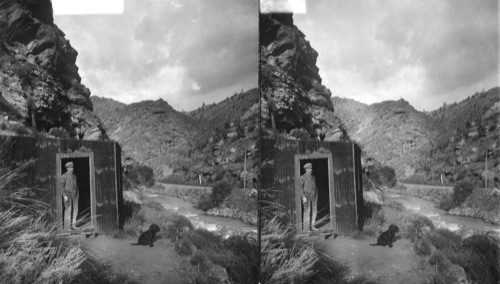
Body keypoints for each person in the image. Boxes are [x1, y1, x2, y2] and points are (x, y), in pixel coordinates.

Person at [299, 163, 318, 231]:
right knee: (307, 211)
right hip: (306, 195)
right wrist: (303, 196)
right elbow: (300, 188)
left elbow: (314, 186)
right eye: (309, 169)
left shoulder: (313, 177)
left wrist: (315, 193)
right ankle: (306, 228)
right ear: (306, 169)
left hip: (314, 194)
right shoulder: (302, 177)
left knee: (314, 210)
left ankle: (312, 226)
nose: (310, 170)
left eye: (311, 168)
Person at [60, 161, 79, 230]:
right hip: (68, 193)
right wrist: (64, 195)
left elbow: (75, 184)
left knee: (75, 208)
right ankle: (67, 227)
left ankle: (73, 225)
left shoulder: (74, 176)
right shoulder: (64, 176)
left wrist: (76, 192)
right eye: (70, 167)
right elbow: (61, 187)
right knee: (68, 209)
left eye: (72, 167)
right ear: (67, 168)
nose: (72, 168)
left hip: (75, 193)